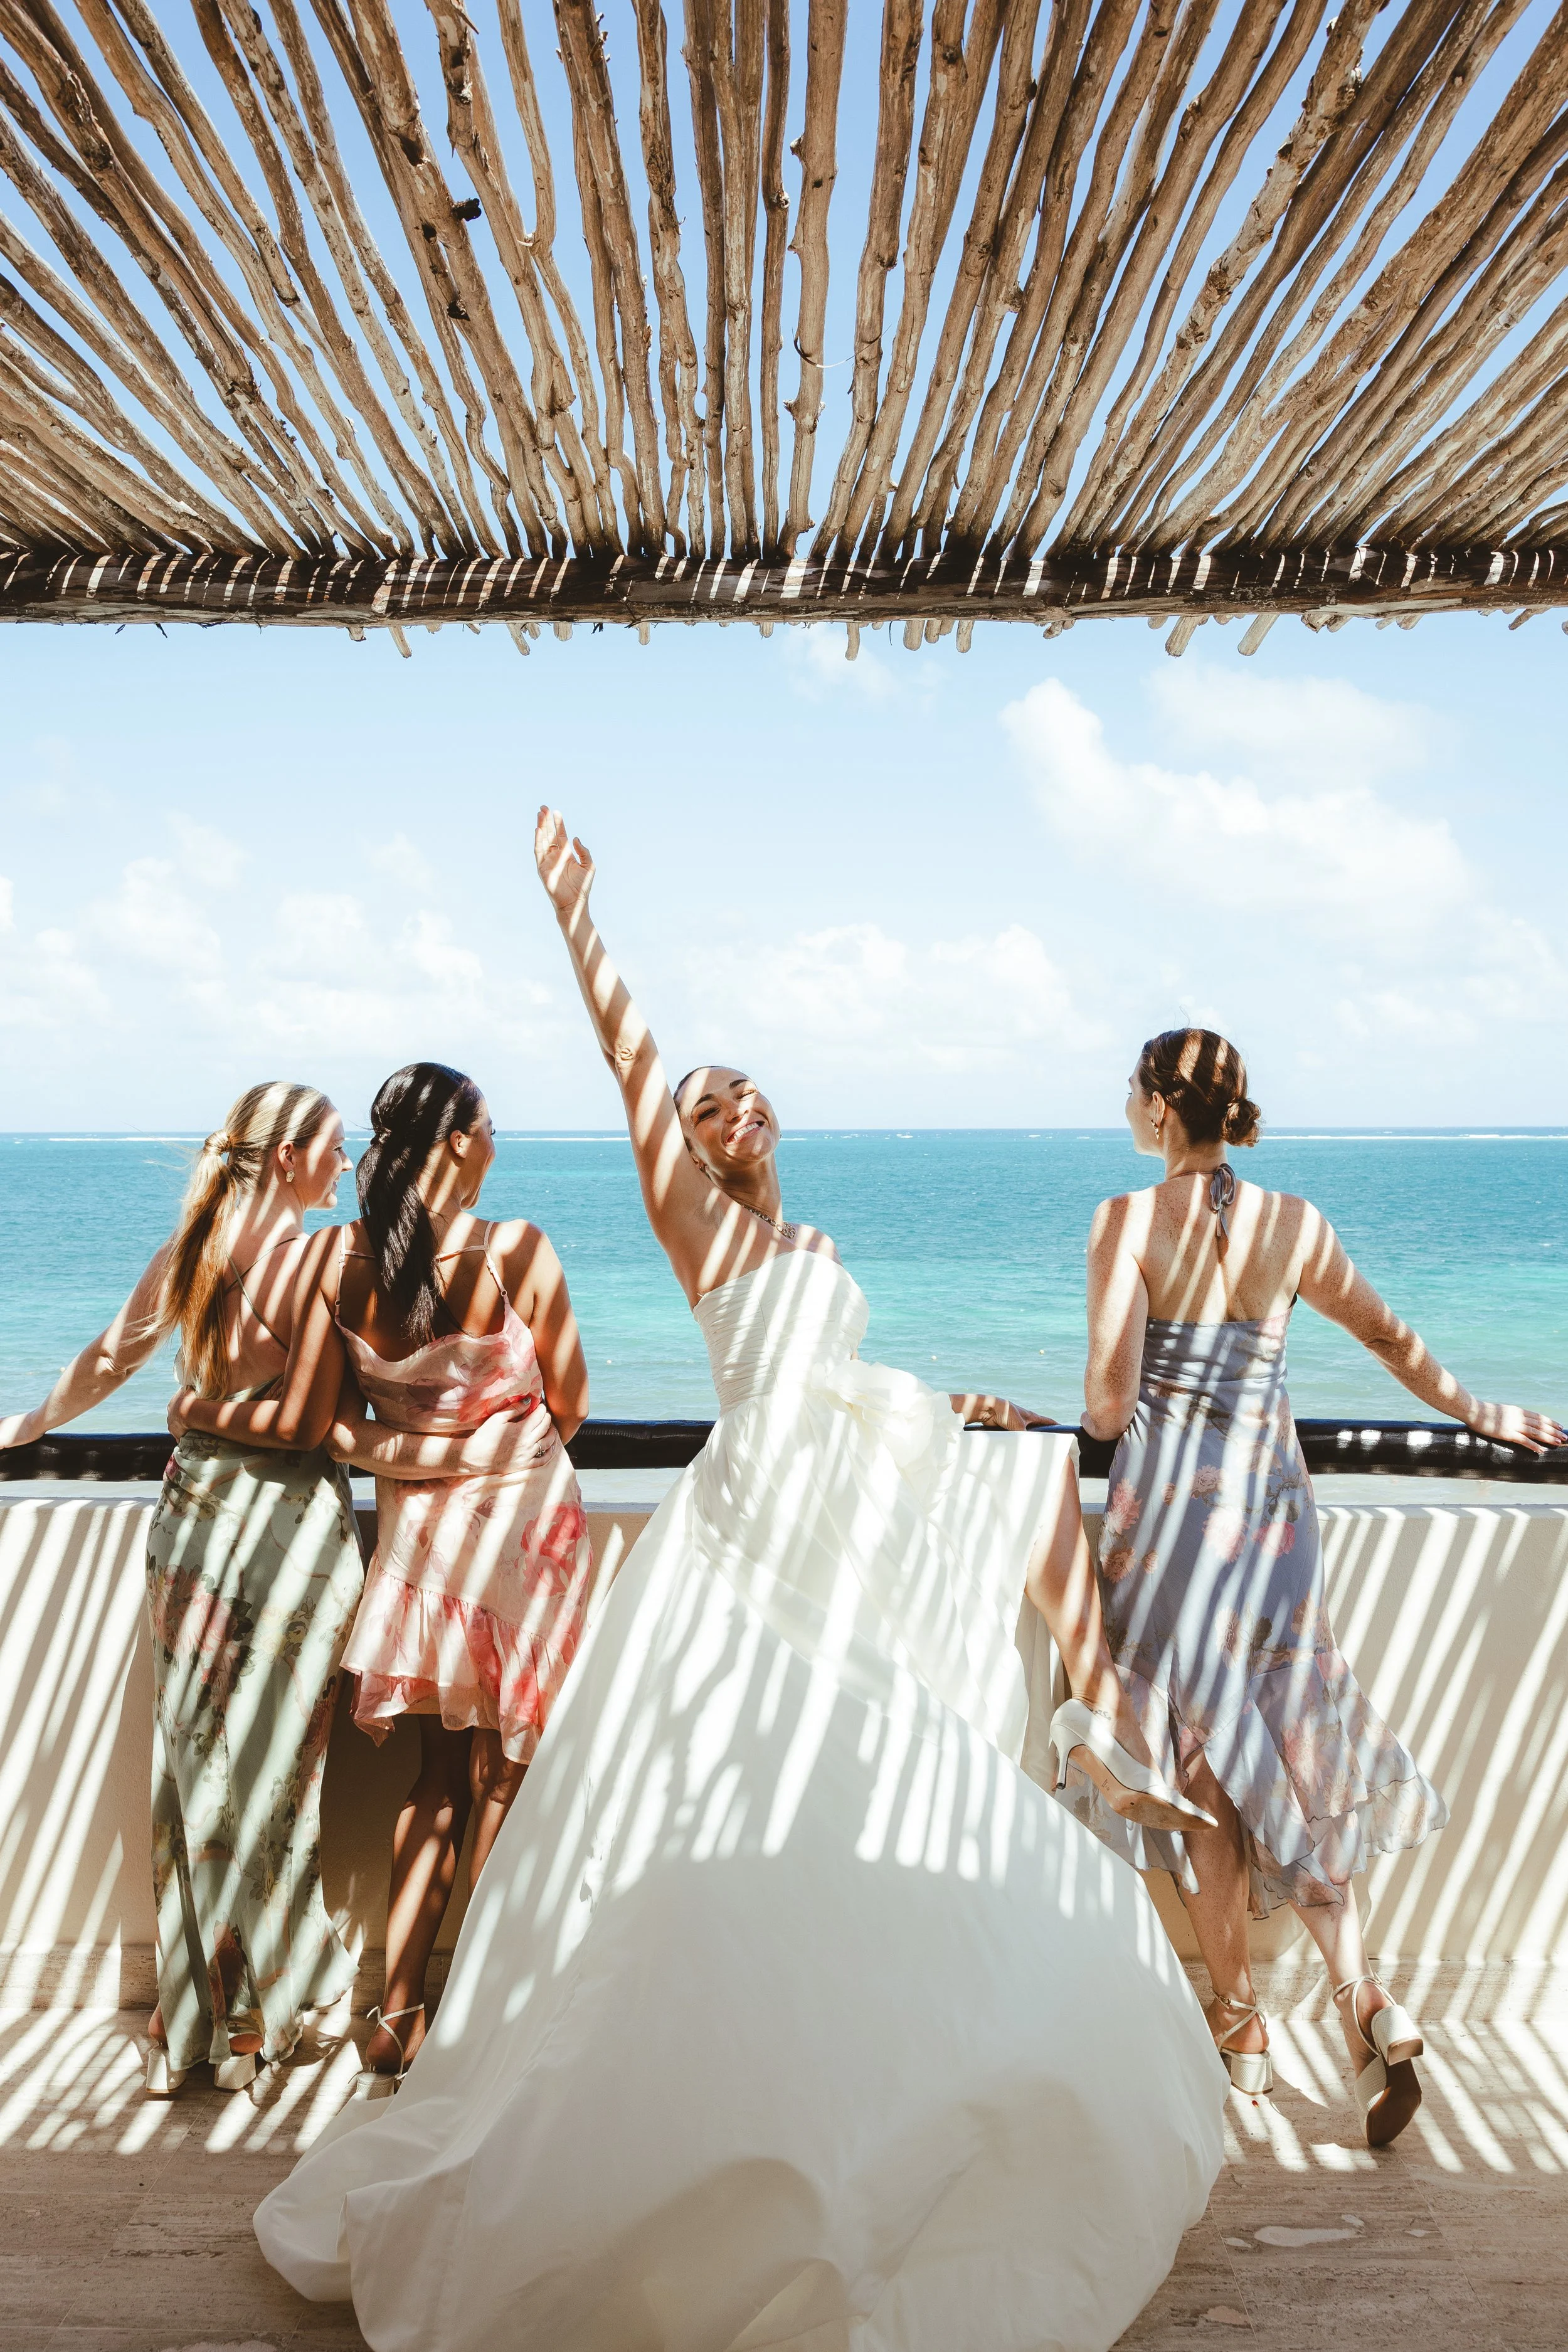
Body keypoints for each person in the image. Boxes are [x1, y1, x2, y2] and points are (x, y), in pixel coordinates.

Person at [253, 819, 1226, 2352]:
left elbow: (835, 1367)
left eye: (745, 1086)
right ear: (687, 1145)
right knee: (755, 1811)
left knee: (864, 1801)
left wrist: (953, 1403)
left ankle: (868, 2095)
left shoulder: (808, 1235)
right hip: (759, 1531)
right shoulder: (692, 1221)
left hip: (844, 1520)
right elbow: (634, 1071)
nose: (733, 1100)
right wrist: (582, 924)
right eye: (711, 1099)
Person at [1073, 1026, 1565, 2149]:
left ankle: (1245, 2025)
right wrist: (1481, 1412)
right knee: (1284, 1745)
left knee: (1201, 1768)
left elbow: (1105, 1410)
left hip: (1174, 1531)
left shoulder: (1123, 1222)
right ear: (1232, 1108)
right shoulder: (1293, 1223)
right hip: (1274, 1523)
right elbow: (1388, 1334)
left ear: (1158, 1108)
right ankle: (1360, 2001)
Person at [194, 1063, 592, 2090]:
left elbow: (332, 1421)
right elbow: (572, 1402)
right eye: (491, 1126)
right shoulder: (515, 1250)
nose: (498, 1142)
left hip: (422, 1547)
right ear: (458, 1141)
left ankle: (401, 2007)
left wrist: (428, 1455)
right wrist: (487, 1451)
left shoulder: (339, 1258)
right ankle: (486, 2004)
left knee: (438, 1778)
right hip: (522, 1529)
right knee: (512, 1768)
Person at [0, 1082, 364, 2096]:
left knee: (198, 1765)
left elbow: (114, 1358)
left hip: (200, 1513)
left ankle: (192, 2006)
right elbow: (327, 1415)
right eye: (337, 1146)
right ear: (289, 1155)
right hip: (291, 1530)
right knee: (280, 1772)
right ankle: (254, 2014)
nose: (347, 1161)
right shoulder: (322, 1260)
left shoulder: (192, 1253)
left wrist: (31, 1423)